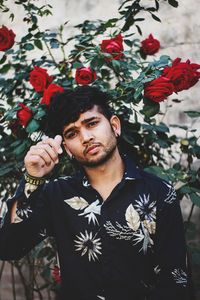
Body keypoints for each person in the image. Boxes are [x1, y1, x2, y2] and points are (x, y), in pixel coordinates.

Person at [0, 86, 190, 300]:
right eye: (72, 133)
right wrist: (32, 178)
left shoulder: (158, 193)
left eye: (92, 123)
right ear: (67, 148)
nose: (86, 137)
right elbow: (8, 246)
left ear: (114, 126)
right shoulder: (57, 194)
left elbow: (175, 280)